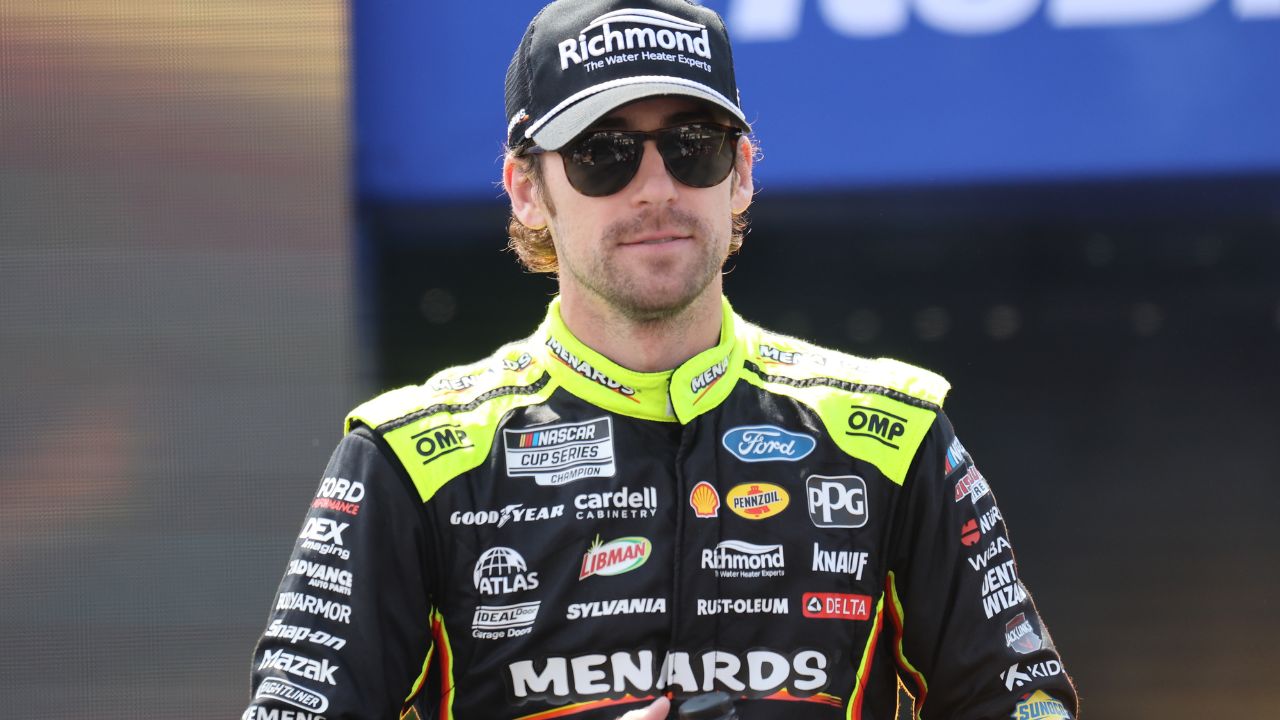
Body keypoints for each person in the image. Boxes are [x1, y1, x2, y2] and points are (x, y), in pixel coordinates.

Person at [243, 1, 1078, 718]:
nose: (656, 188)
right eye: (603, 152)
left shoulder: (891, 434)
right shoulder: (410, 458)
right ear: (527, 188)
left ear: (742, 174)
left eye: (694, 145)